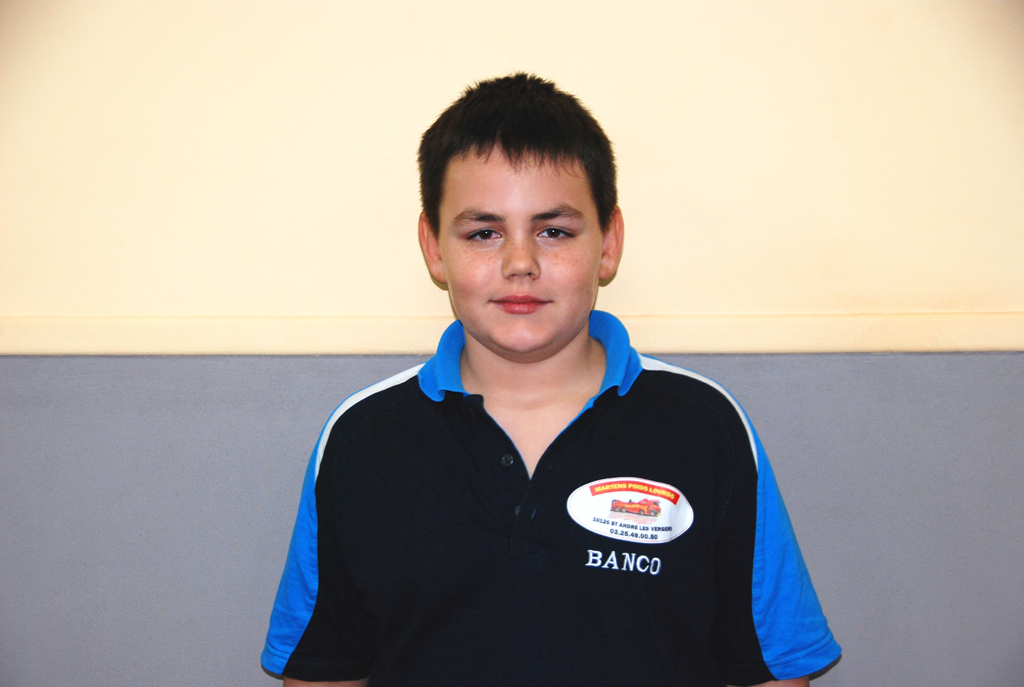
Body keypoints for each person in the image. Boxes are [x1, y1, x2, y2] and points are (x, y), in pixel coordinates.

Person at [261, 73, 840, 687]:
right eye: (484, 232)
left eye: (554, 231)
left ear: (608, 243)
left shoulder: (705, 426)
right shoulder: (363, 438)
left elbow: (773, 668)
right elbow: (324, 670)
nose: (520, 263)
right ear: (433, 248)